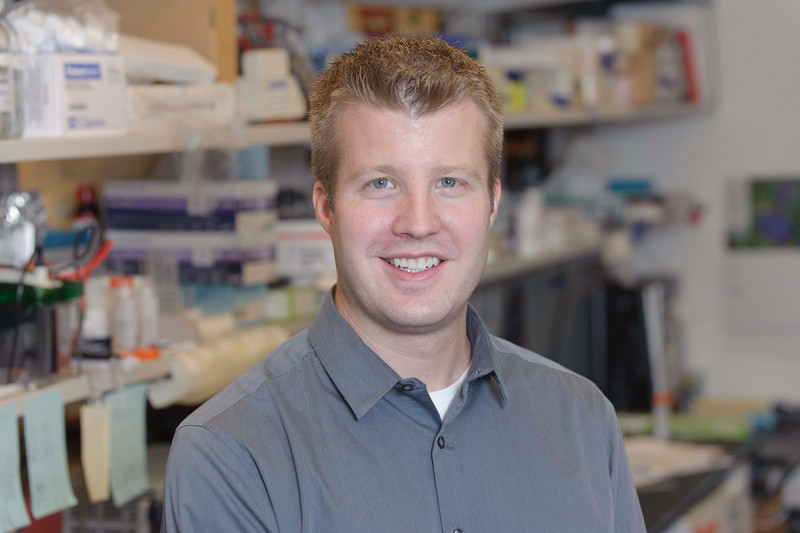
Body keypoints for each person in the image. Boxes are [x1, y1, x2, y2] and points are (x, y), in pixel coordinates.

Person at [162, 35, 646, 532]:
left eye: (449, 182)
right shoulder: (230, 456)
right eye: (381, 183)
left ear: (492, 204)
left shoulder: (582, 420)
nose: (418, 223)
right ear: (326, 207)